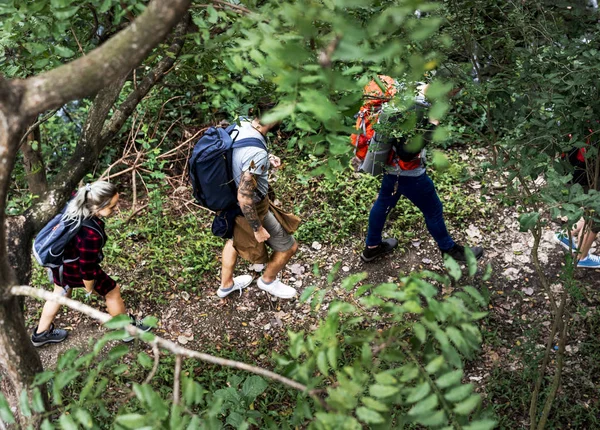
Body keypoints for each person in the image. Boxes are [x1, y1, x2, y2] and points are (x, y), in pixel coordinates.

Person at [360, 82, 484, 263]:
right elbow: (407, 152)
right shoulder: (415, 107)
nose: (452, 96)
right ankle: (449, 250)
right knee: (433, 210)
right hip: (408, 173)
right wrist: (432, 124)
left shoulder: (411, 87)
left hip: (390, 166)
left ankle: (372, 247)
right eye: (454, 92)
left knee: (383, 203)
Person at [31, 181, 151, 347]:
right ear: (96, 207)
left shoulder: (77, 199)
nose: (115, 209)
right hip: (75, 268)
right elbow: (87, 268)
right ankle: (128, 331)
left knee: (59, 293)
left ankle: (40, 335)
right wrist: (89, 288)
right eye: (112, 207)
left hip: (60, 264)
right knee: (111, 291)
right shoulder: (89, 234)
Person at [216, 106, 301, 300]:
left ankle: (226, 285)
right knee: (289, 247)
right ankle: (268, 280)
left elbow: (239, 154)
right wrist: (257, 228)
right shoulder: (256, 153)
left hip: (228, 201)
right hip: (250, 208)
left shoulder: (243, 123)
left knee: (234, 239)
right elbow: (245, 197)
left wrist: (266, 158)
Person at [554, 145, 600, 268]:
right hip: (588, 168)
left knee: (591, 207)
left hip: (579, 167)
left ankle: (565, 235)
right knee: (596, 217)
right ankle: (582, 258)